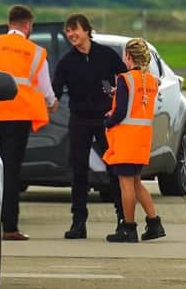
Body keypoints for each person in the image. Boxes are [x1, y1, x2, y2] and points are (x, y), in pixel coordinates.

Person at [0, 5, 58, 241]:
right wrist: (52, 102)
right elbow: (44, 88)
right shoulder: (36, 52)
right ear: (28, 26)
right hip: (18, 117)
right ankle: (9, 227)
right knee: (11, 172)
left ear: (9, 24)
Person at [52, 14, 127, 239]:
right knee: (78, 171)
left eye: (75, 29)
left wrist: (117, 98)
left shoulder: (106, 55)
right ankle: (78, 223)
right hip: (79, 120)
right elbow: (55, 90)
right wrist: (49, 102)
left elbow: (125, 78)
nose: (72, 34)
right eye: (68, 31)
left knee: (114, 169)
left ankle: (123, 219)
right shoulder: (66, 61)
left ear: (87, 30)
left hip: (106, 120)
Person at [103, 38, 166, 243]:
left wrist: (108, 121)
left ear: (128, 56)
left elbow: (121, 111)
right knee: (137, 183)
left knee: (126, 185)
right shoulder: (152, 81)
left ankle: (128, 228)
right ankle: (154, 222)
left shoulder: (125, 79)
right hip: (142, 139)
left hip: (125, 139)